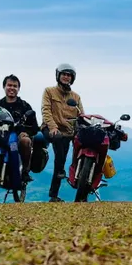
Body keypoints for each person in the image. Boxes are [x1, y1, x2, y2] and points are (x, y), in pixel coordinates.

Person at [41, 64, 83, 202]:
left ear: (72, 78)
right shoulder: (49, 91)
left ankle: (82, 183)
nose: (66, 77)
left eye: (69, 75)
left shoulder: (76, 97)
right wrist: (53, 127)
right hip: (50, 128)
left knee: (65, 157)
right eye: (63, 74)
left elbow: (81, 115)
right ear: (58, 76)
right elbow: (46, 111)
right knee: (60, 159)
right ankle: (54, 191)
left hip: (68, 132)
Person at [0, 74, 39, 182]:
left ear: (18, 89)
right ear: (4, 87)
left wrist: (26, 132)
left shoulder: (25, 106)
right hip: (1, 134)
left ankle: (25, 171)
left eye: (15, 86)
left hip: (17, 135)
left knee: (25, 141)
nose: (12, 88)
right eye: (9, 85)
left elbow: (34, 127)